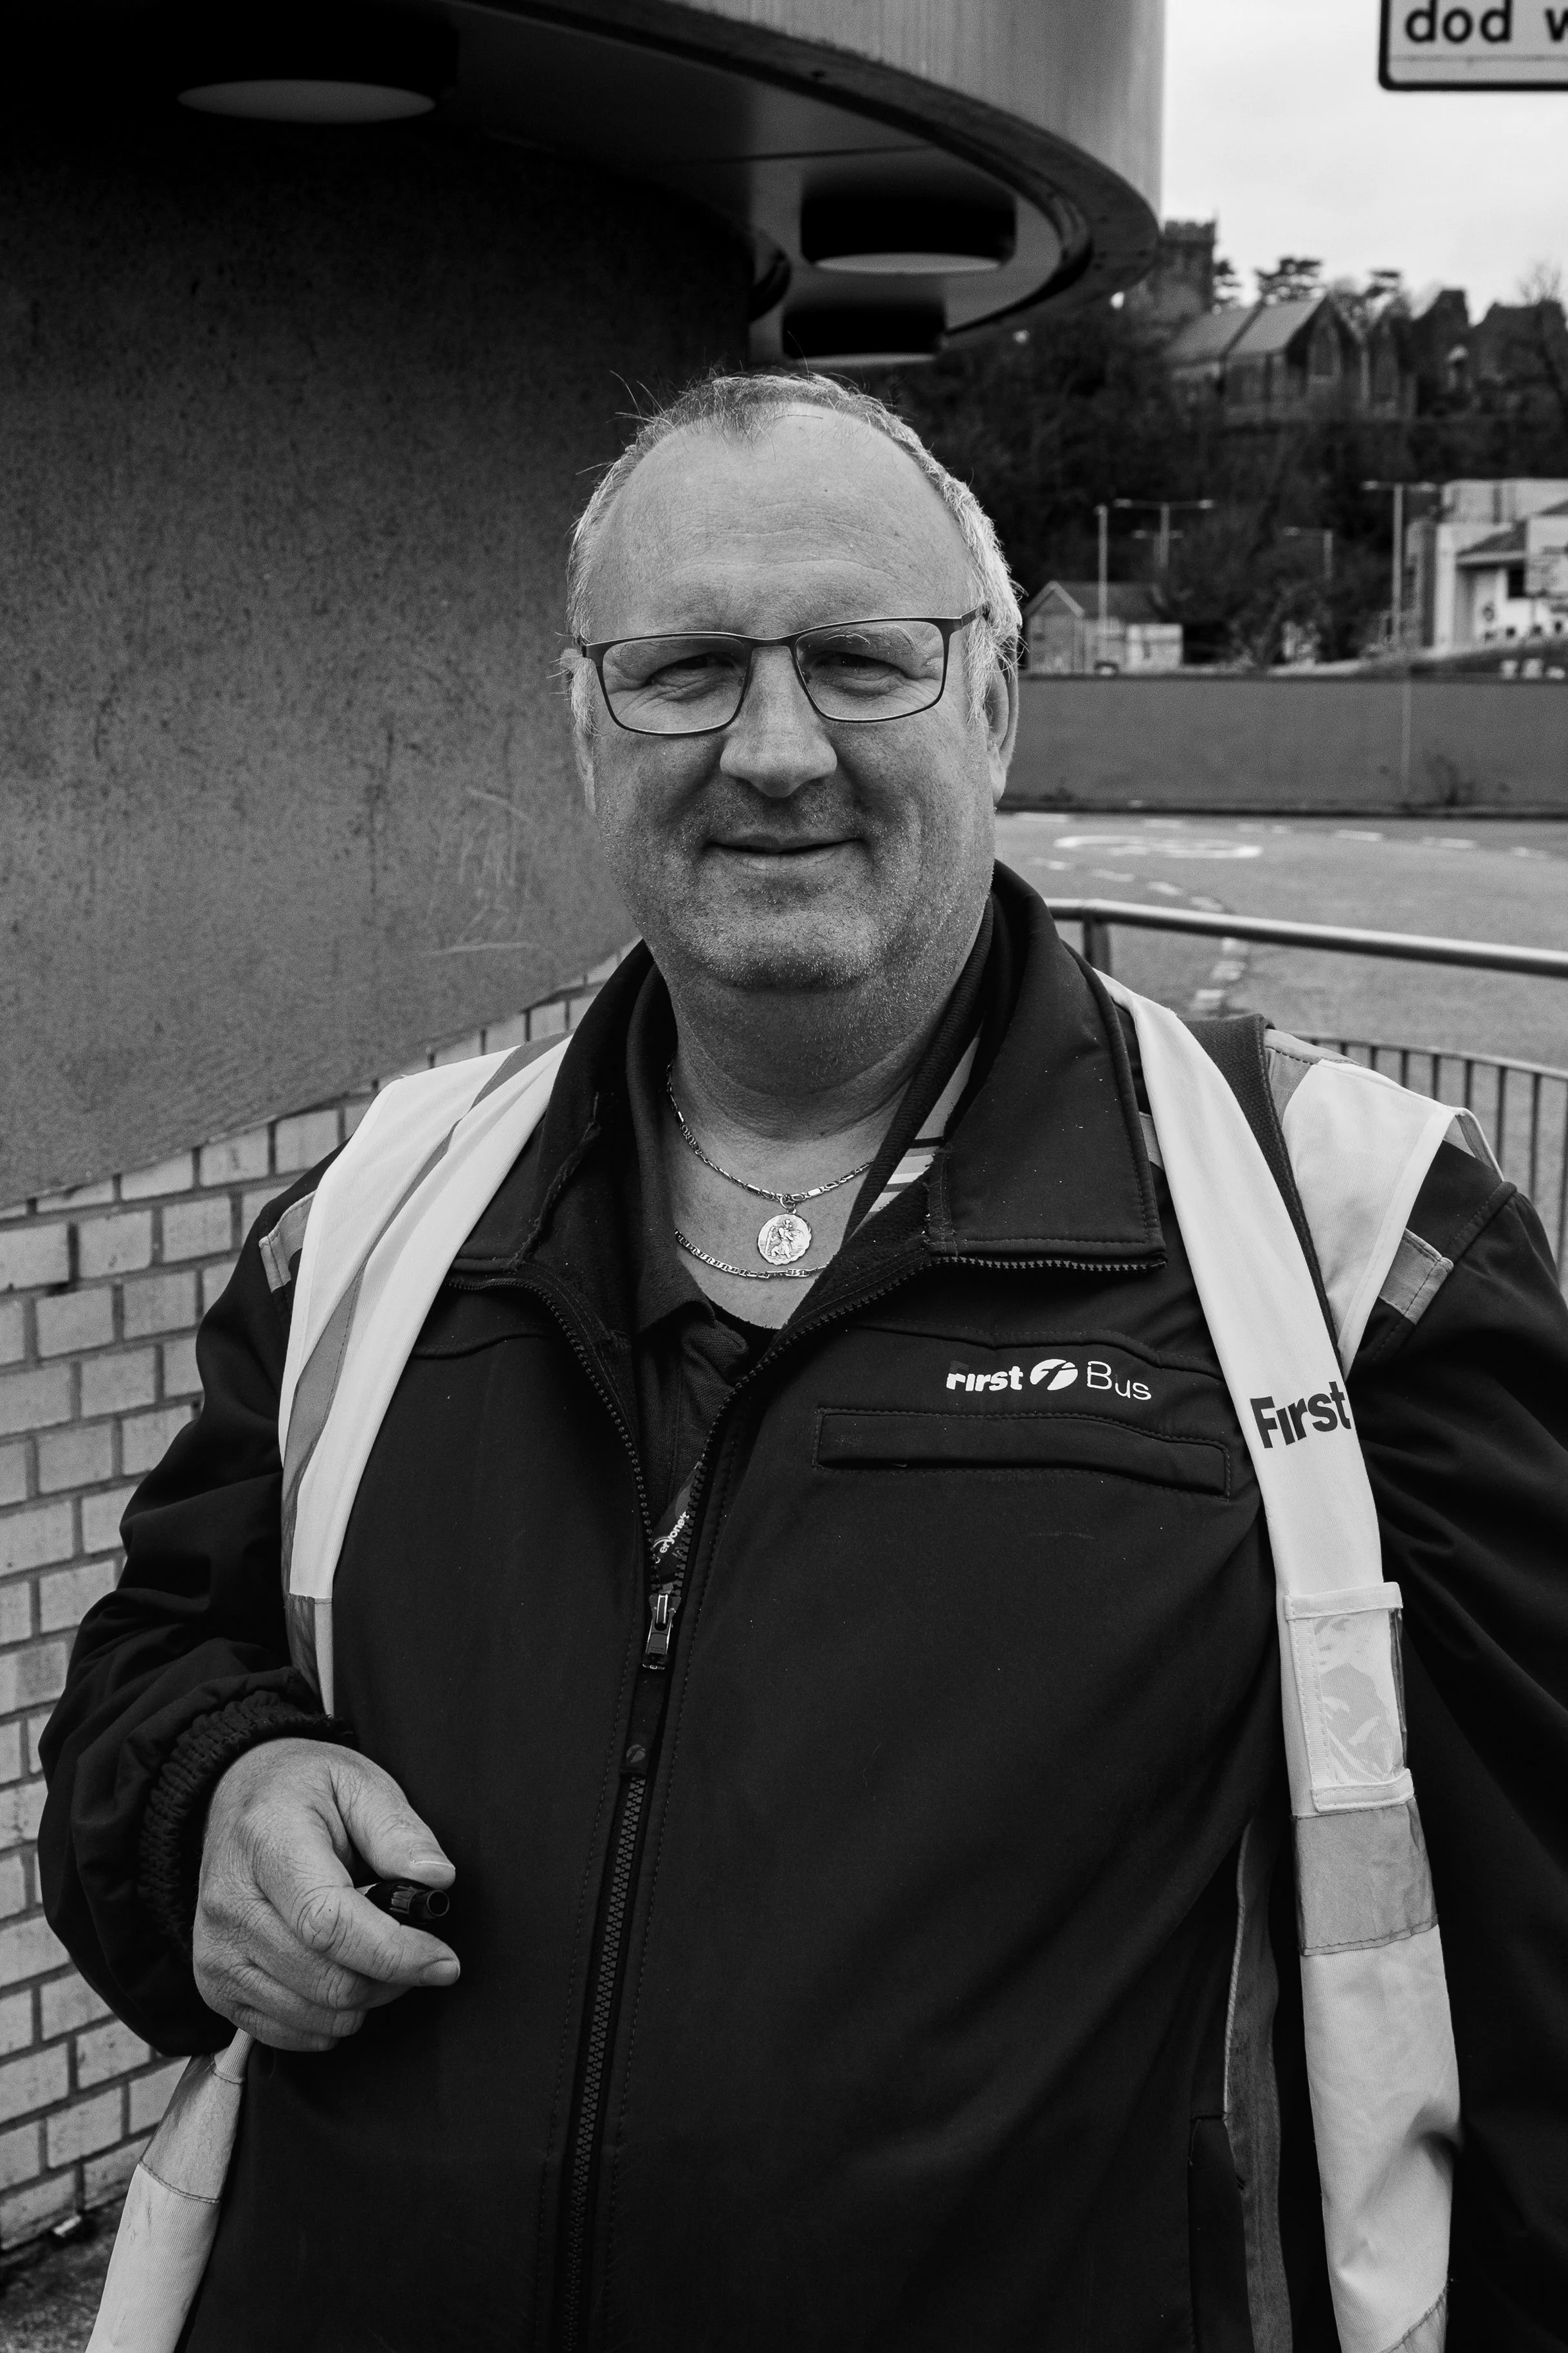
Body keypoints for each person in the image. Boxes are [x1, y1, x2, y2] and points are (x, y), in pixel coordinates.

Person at [41, 372, 1568, 2353]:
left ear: (997, 708)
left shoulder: (1356, 1244)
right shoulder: (379, 1220)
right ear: (587, 731)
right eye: (681, 667)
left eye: (862, 659)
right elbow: (146, 1688)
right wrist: (209, 1802)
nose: (772, 749)